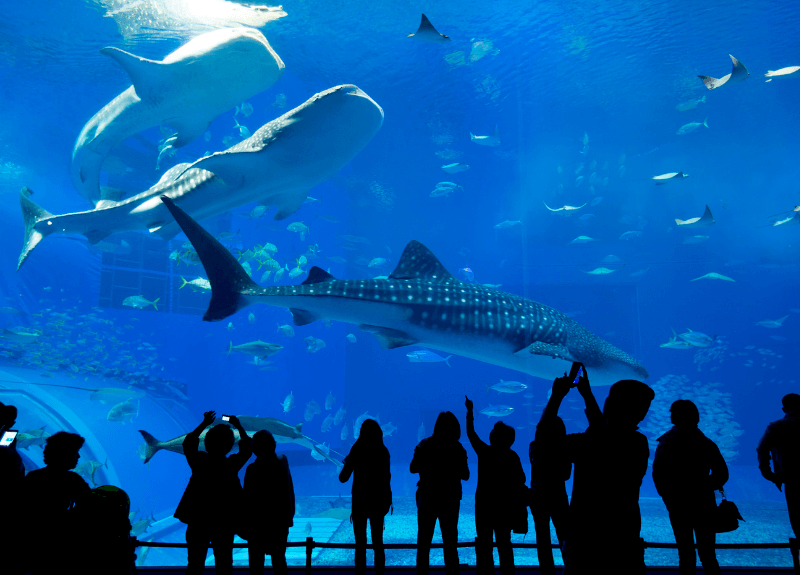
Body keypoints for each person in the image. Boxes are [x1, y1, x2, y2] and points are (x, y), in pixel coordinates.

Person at [545, 362, 654, 575]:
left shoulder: (587, 443)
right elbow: (606, 438)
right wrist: (588, 396)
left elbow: (545, 442)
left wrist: (557, 396)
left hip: (584, 537)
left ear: (609, 405)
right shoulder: (638, 444)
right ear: (640, 414)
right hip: (624, 535)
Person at [653, 400, 728, 575]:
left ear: (675, 416)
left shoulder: (667, 442)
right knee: (708, 553)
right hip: (704, 503)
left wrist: (669, 497)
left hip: (677, 503)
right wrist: (702, 487)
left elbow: (658, 475)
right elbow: (722, 474)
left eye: (672, 412)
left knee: (685, 552)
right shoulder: (705, 443)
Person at [174, 411, 253, 575]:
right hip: (224, 521)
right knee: (224, 564)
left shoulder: (199, 463)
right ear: (231, 446)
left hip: (198, 520)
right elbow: (247, 449)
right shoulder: (231, 466)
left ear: (206, 443)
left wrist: (204, 424)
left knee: (194, 564)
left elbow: (188, 443)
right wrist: (238, 425)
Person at [465, 396, 526, 575]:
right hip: (504, 508)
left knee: (484, 545)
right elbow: (521, 479)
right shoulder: (512, 456)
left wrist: (469, 412)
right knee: (504, 544)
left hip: (484, 506)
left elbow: (471, 434)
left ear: (493, 437)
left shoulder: (485, 452)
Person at [23, 430, 91, 574]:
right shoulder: (72, 480)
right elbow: (89, 507)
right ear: (63, 453)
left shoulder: (33, 477)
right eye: (75, 451)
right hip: (60, 547)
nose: (78, 456)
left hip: (33, 545)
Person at [410, 410, 469, 575]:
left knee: (423, 544)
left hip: (427, 497)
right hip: (450, 499)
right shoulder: (458, 448)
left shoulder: (424, 445)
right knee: (450, 544)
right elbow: (466, 475)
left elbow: (412, 468)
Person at [339, 418, 392, 575]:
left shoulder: (357, 450)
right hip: (378, 501)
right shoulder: (383, 451)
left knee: (360, 545)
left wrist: (348, 461)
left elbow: (343, 478)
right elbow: (386, 478)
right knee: (378, 544)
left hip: (360, 503)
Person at [244, 430, 294, 575]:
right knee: (279, 560)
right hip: (280, 522)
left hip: (257, 524)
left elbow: (247, 498)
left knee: (255, 563)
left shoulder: (252, 470)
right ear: (274, 444)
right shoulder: (283, 461)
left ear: (254, 449)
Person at [529, 401, 571, 574]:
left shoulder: (535, 446)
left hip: (539, 496)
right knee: (565, 535)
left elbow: (538, 467)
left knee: (543, 537)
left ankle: (548, 572)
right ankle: (569, 568)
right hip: (558, 496)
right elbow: (566, 475)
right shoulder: (565, 449)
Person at [757, 393, 800, 536]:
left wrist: (770, 475)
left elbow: (762, 449)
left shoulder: (776, 427)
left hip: (792, 482)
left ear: (784, 409)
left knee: (799, 525)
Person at [0, 402, 25, 575]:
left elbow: (8, 451)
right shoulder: (5, 438)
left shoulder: (7, 436)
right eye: (10, 421)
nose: (13, 424)